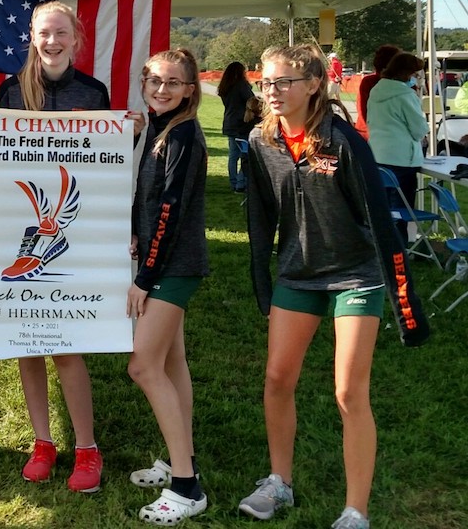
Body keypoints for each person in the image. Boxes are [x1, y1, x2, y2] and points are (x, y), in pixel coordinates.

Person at [239, 44, 429, 529]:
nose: (273, 92)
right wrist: (263, 280)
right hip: (298, 274)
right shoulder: (261, 142)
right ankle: (278, 482)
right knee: (278, 380)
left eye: (284, 82)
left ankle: (354, 511)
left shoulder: (342, 140)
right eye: (267, 83)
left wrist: (403, 300)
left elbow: (379, 222)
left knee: (348, 393)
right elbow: (259, 217)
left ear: (313, 85)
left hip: (354, 275)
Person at [0, 0, 108, 493]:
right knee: (27, 345)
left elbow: (105, 168)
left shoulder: (93, 92)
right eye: (44, 33)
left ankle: (86, 447)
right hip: (18, 227)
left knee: (67, 348)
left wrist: (126, 136)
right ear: (32, 37)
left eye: (61, 33)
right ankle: (43, 441)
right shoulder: (7, 91)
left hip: (75, 233)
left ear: (75, 38)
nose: (52, 42)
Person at [126, 49, 209, 525]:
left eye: (172, 83)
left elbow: (170, 213)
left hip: (173, 268)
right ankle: (184, 458)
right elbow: (152, 202)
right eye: (154, 80)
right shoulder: (161, 130)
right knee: (172, 363)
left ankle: (186, 487)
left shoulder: (184, 137)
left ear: (189, 91)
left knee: (143, 366)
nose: (161, 89)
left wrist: (145, 279)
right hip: (169, 263)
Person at [366, 52, 426, 245]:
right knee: (401, 209)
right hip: (402, 160)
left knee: (382, 208)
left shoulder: (376, 90)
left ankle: (380, 245)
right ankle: (398, 247)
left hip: (377, 155)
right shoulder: (406, 95)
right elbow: (419, 130)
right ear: (407, 73)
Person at [218, 61, 258, 192]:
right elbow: (251, 101)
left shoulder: (225, 87)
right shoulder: (241, 86)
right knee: (245, 154)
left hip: (229, 123)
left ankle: (233, 182)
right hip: (242, 123)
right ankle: (241, 183)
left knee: (233, 155)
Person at [355, 45, 400, 139]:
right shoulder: (369, 82)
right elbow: (364, 112)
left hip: (384, 135)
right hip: (372, 135)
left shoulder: (403, 85)